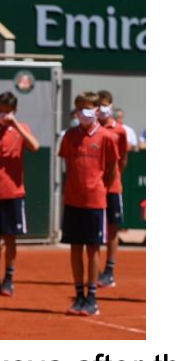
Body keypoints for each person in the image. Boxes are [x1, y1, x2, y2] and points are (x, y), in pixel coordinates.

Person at [59, 91, 120, 316]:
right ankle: (79, 296)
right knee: (75, 248)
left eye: (89, 107)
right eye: (81, 108)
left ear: (96, 110)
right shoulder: (69, 136)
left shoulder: (107, 137)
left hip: (95, 202)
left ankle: (92, 297)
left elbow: (112, 170)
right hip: (73, 201)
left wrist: (98, 189)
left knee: (93, 249)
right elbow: (67, 164)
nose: (85, 112)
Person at [0, 92, 40, 296]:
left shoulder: (21, 130)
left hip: (14, 193)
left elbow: (35, 146)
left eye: (7, 111)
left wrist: (17, 125)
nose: (3, 114)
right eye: (0, 110)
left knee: (10, 238)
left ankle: (9, 279)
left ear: (14, 111)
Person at [95, 90, 129, 288]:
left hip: (113, 187)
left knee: (113, 228)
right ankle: (96, 270)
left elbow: (123, 159)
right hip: (96, 188)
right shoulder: (93, 129)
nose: (101, 109)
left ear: (111, 105)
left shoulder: (120, 131)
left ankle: (109, 269)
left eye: (104, 105)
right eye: (98, 105)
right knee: (96, 229)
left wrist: (113, 177)